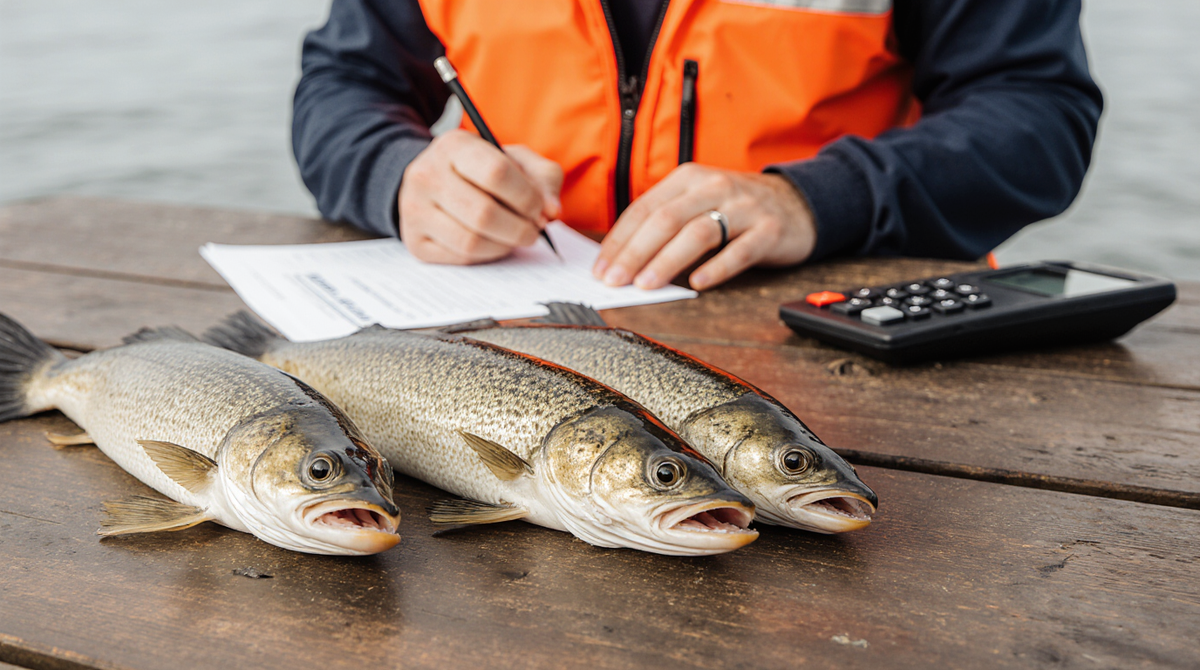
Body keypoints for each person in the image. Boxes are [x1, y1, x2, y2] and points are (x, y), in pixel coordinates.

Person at [293, 0, 1101, 291]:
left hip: (838, 349)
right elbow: (344, 82)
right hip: (508, 339)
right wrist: (397, 177)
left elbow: (1038, 115)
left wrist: (815, 200)